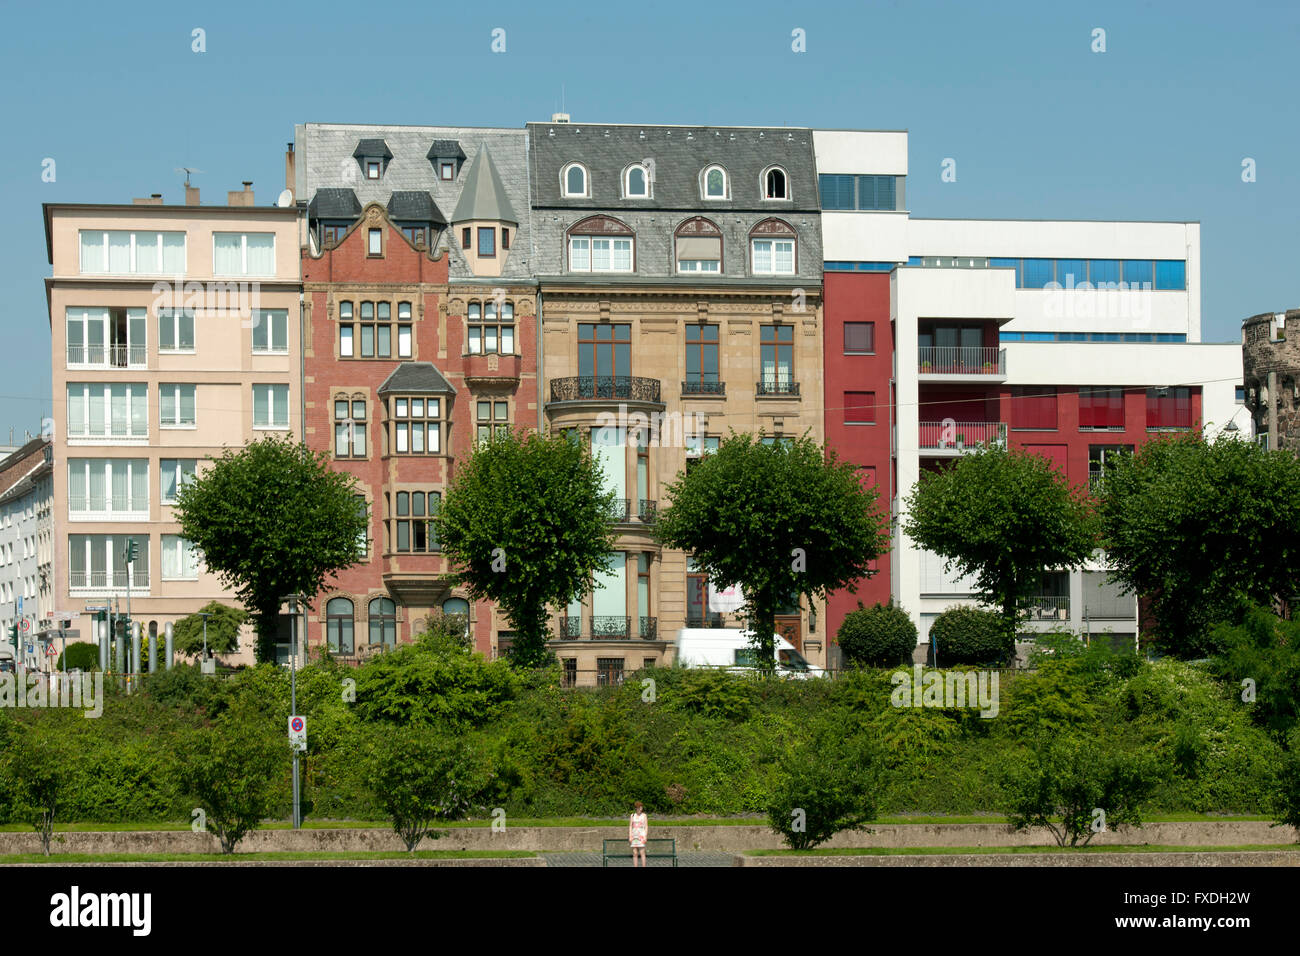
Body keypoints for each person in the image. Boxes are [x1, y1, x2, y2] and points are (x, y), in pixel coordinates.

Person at [629, 800, 648, 867]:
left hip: (641, 836)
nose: (640, 809)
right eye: (639, 807)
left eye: (641, 807)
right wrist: (630, 836)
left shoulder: (644, 816)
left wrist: (645, 836)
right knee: (635, 853)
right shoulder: (632, 815)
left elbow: (646, 826)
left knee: (642, 853)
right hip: (634, 836)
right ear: (636, 808)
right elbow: (630, 826)